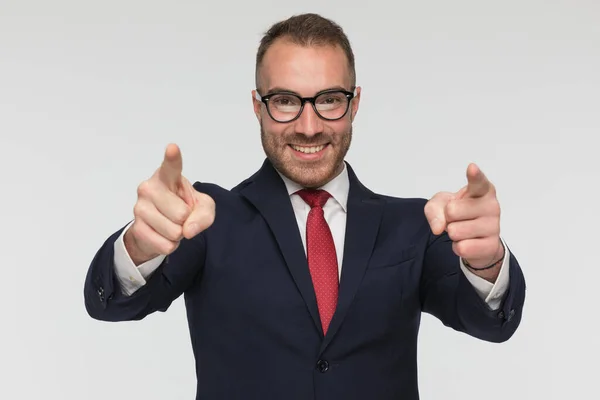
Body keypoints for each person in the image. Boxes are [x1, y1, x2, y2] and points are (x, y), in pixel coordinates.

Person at [84, 12, 526, 400]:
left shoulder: (413, 225)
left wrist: (487, 263)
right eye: (286, 102)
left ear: (354, 105)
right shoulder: (207, 217)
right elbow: (111, 304)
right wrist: (141, 246)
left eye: (329, 100)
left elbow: (492, 324)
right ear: (258, 107)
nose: (309, 126)